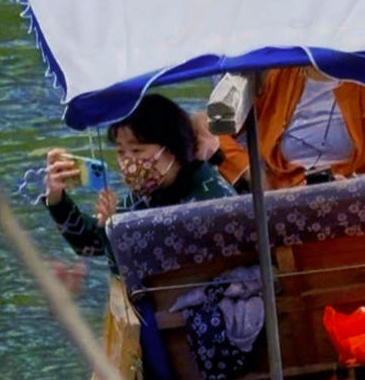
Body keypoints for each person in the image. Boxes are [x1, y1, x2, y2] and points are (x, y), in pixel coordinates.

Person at [43, 94, 234, 262]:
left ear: (172, 149)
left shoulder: (208, 203)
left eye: (136, 150)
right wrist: (57, 198)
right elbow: (90, 243)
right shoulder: (151, 193)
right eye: (120, 151)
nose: (128, 162)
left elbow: (145, 272)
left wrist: (113, 231)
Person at [214, 67, 365, 191]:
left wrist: (359, 186)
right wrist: (255, 176)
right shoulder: (275, 76)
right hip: (285, 202)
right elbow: (210, 129)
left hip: (359, 203)